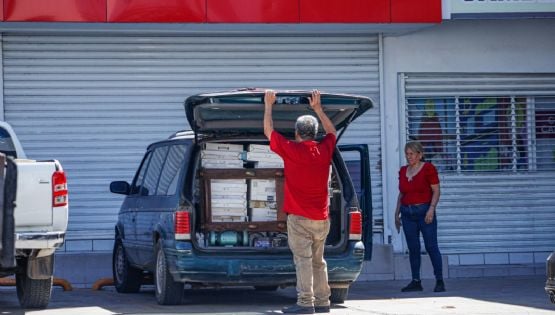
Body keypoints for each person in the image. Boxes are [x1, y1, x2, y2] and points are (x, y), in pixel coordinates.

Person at [264, 89, 335, 314]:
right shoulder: (324, 150)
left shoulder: (292, 150)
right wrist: (318, 109)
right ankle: (323, 301)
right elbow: (332, 131)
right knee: (318, 261)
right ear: (314, 133)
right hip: (322, 219)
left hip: (299, 219)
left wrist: (268, 104)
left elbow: (268, 131)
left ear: (297, 133)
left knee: (303, 261)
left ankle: (306, 303)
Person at [395, 141, 445, 293]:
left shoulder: (428, 168)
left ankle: (439, 280)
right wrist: (396, 214)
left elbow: (436, 191)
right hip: (407, 213)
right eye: (407, 154)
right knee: (413, 248)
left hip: (424, 211)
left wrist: (431, 209)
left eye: (412, 154)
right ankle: (416, 281)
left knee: (431, 246)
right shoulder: (403, 171)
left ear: (420, 154)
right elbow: (402, 193)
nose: (409, 157)